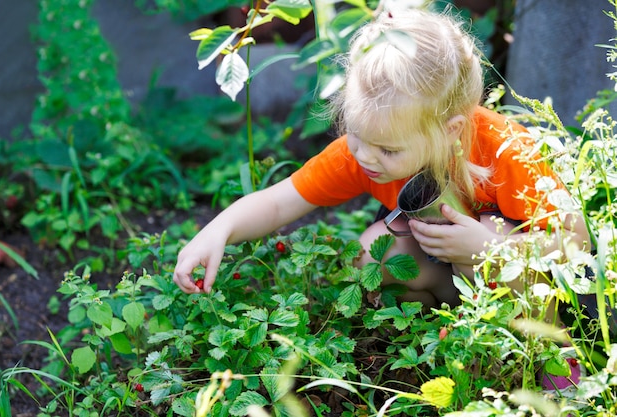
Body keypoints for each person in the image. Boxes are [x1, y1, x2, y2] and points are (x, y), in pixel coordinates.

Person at [173, 7, 589, 309]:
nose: (365, 157)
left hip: (530, 286)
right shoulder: (366, 146)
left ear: (451, 131)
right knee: (371, 252)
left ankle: (555, 366)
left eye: (389, 149)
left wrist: (493, 248)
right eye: (355, 135)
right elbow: (281, 200)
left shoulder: (504, 150)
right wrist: (218, 231)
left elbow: (579, 242)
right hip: (445, 272)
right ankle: (448, 331)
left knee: (488, 226)